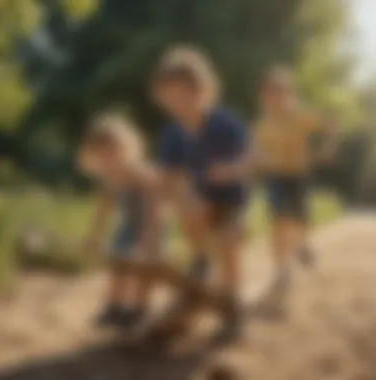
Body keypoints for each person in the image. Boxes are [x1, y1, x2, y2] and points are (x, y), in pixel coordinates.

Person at [209, 66, 336, 302]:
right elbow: (253, 155)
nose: (275, 99)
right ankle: (281, 269)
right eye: (269, 94)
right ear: (263, 98)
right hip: (276, 177)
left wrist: (327, 146)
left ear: (290, 94)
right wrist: (232, 169)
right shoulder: (262, 125)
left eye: (280, 93)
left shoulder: (301, 116)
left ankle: (302, 243)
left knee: (300, 219)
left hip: (299, 175)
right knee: (279, 220)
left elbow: (330, 123)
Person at [151, 46, 250, 328]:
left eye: (185, 94)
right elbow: (167, 177)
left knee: (229, 243)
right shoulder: (172, 135)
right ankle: (200, 260)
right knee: (183, 194)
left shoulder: (224, 125)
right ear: (163, 97)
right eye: (172, 97)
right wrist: (158, 214)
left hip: (230, 200)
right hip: (197, 202)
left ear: (203, 90)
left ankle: (232, 299)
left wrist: (231, 170)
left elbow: (252, 158)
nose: (179, 103)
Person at [78, 113, 163, 329]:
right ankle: (115, 305)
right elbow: (103, 209)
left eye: (113, 150)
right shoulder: (109, 178)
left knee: (144, 267)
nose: (109, 157)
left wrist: (150, 238)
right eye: (103, 152)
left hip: (151, 224)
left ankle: (140, 309)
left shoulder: (139, 173)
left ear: (126, 148)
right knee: (119, 262)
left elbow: (155, 204)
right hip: (128, 226)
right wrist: (93, 235)